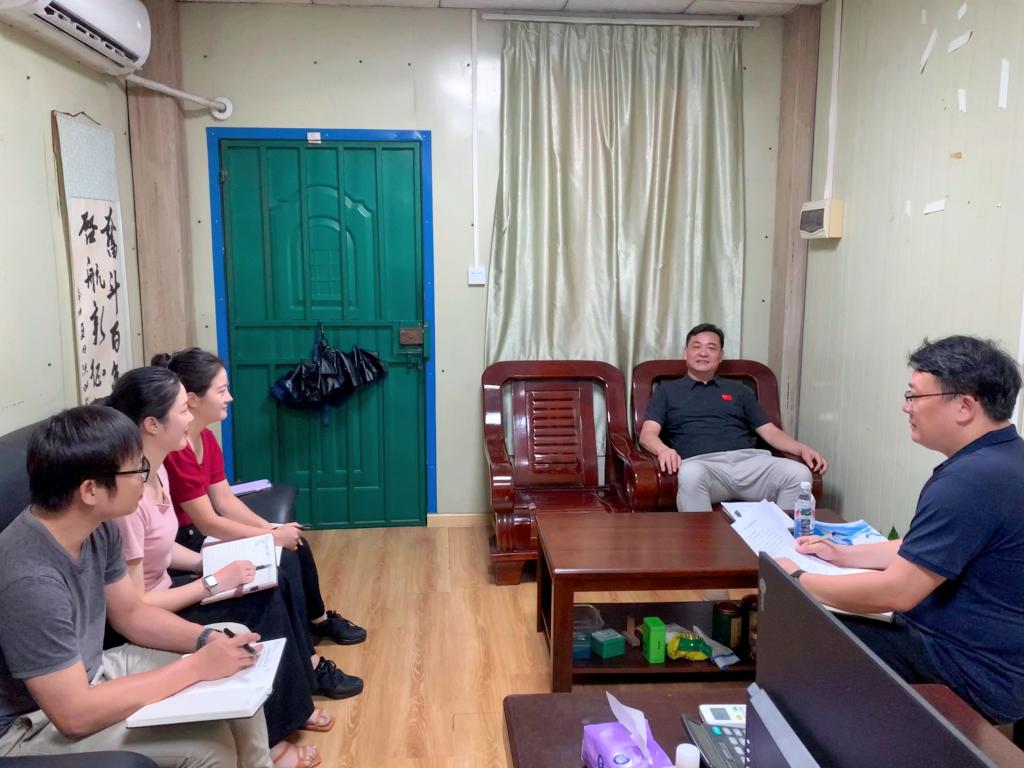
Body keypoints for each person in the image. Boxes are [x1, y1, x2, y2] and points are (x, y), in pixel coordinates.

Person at [108, 366, 354, 767]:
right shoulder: (128, 499)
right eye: (182, 410)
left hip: (173, 587)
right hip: (156, 611)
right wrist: (213, 580)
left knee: (271, 578)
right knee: (260, 606)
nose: (188, 417)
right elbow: (137, 606)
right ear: (152, 424)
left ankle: (297, 697)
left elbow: (162, 550)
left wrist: (211, 561)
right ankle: (274, 736)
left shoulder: (155, 471)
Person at [0, 405, 271, 767]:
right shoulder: (30, 579)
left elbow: (130, 614)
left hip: (93, 673)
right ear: (90, 490)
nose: (146, 478)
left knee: (232, 644)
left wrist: (206, 640)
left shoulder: (99, 526)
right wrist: (195, 667)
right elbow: (73, 713)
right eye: (137, 469)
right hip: (32, 724)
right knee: (209, 747)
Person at [778, 335, 1024, 725]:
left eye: (915, 396)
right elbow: (925, 547)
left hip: (970, 669)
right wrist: (843, 555)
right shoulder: (1005, 458)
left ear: (964, 406)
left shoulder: (970, 481)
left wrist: (796, 580)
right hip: (1000, 659)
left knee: (800, 624)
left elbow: (898, 592)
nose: (906, 407)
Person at [155, 348, 367, 655]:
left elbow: (225, 500)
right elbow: (208, 521)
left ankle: (317, 621)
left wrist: (271, 528)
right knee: (282, 556)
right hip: (187, 541)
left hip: (200, 534)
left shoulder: (207, 440)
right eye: (221, 391)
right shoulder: (178, 451)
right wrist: (269, 537)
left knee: (295, 543)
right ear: (193, 399)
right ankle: (305, 650)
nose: (229, 398)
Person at [639, 323, 828, 512]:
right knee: (690, 474)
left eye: (711, 348)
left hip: (750, 464)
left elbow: (770, 432)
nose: (703, 353)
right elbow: (647, 434)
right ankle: (698, 532)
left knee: (799, 474)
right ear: (685, 353)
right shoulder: (667, 391)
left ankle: (783, 530)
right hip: (704, 467)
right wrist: (663, 450)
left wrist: (801, 448)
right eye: (696, 346)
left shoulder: (739, 390)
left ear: (720, 356)